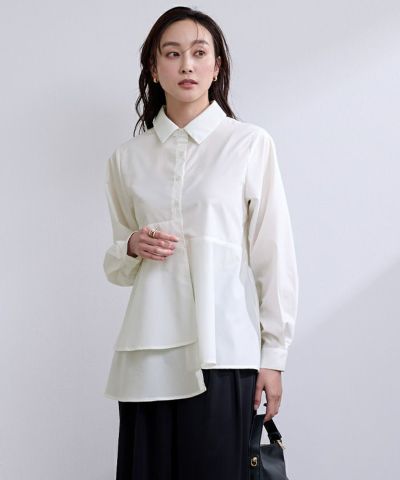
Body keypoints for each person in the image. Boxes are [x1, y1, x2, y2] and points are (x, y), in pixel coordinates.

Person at [102, 6, 299, 480]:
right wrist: (131, 245)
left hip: (224, 350)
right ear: (154, 69)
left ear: (216, 66)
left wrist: (274, 357)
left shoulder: (248, 144)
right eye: (172, 54)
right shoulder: (127, 159)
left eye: (198, 53)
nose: (186, 65)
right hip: (147, 355)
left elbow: (273, 255)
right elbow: (118, 265)